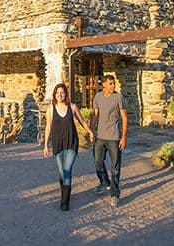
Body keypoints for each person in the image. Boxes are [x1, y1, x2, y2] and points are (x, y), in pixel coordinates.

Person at [43, 83, 95, 211]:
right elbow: (48, 127)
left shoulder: (72, 107)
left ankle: (64, 202)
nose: (60, 95)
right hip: (57, 143)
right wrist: (45, 145)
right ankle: (64, 190)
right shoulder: (51, 109)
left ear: (66, 94)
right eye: (57, 93)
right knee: (61, 172)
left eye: (62, 92)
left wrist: (90, 131)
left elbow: (82, 121)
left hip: (71, 142)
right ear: (55, 95)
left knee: (67, 170)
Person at [90, 74, 128, 207]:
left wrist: (123, 137)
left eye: (114, 83)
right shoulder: (98, 97)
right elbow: (95, 115)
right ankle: (105, 183)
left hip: (114, 137)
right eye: (110, 83)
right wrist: (91, 131)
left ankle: (115, 194)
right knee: (97, 163)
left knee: (115, 168)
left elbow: (124, 117)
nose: (113, 86)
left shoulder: (119, 97)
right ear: (104, 85)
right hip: (100, 137)